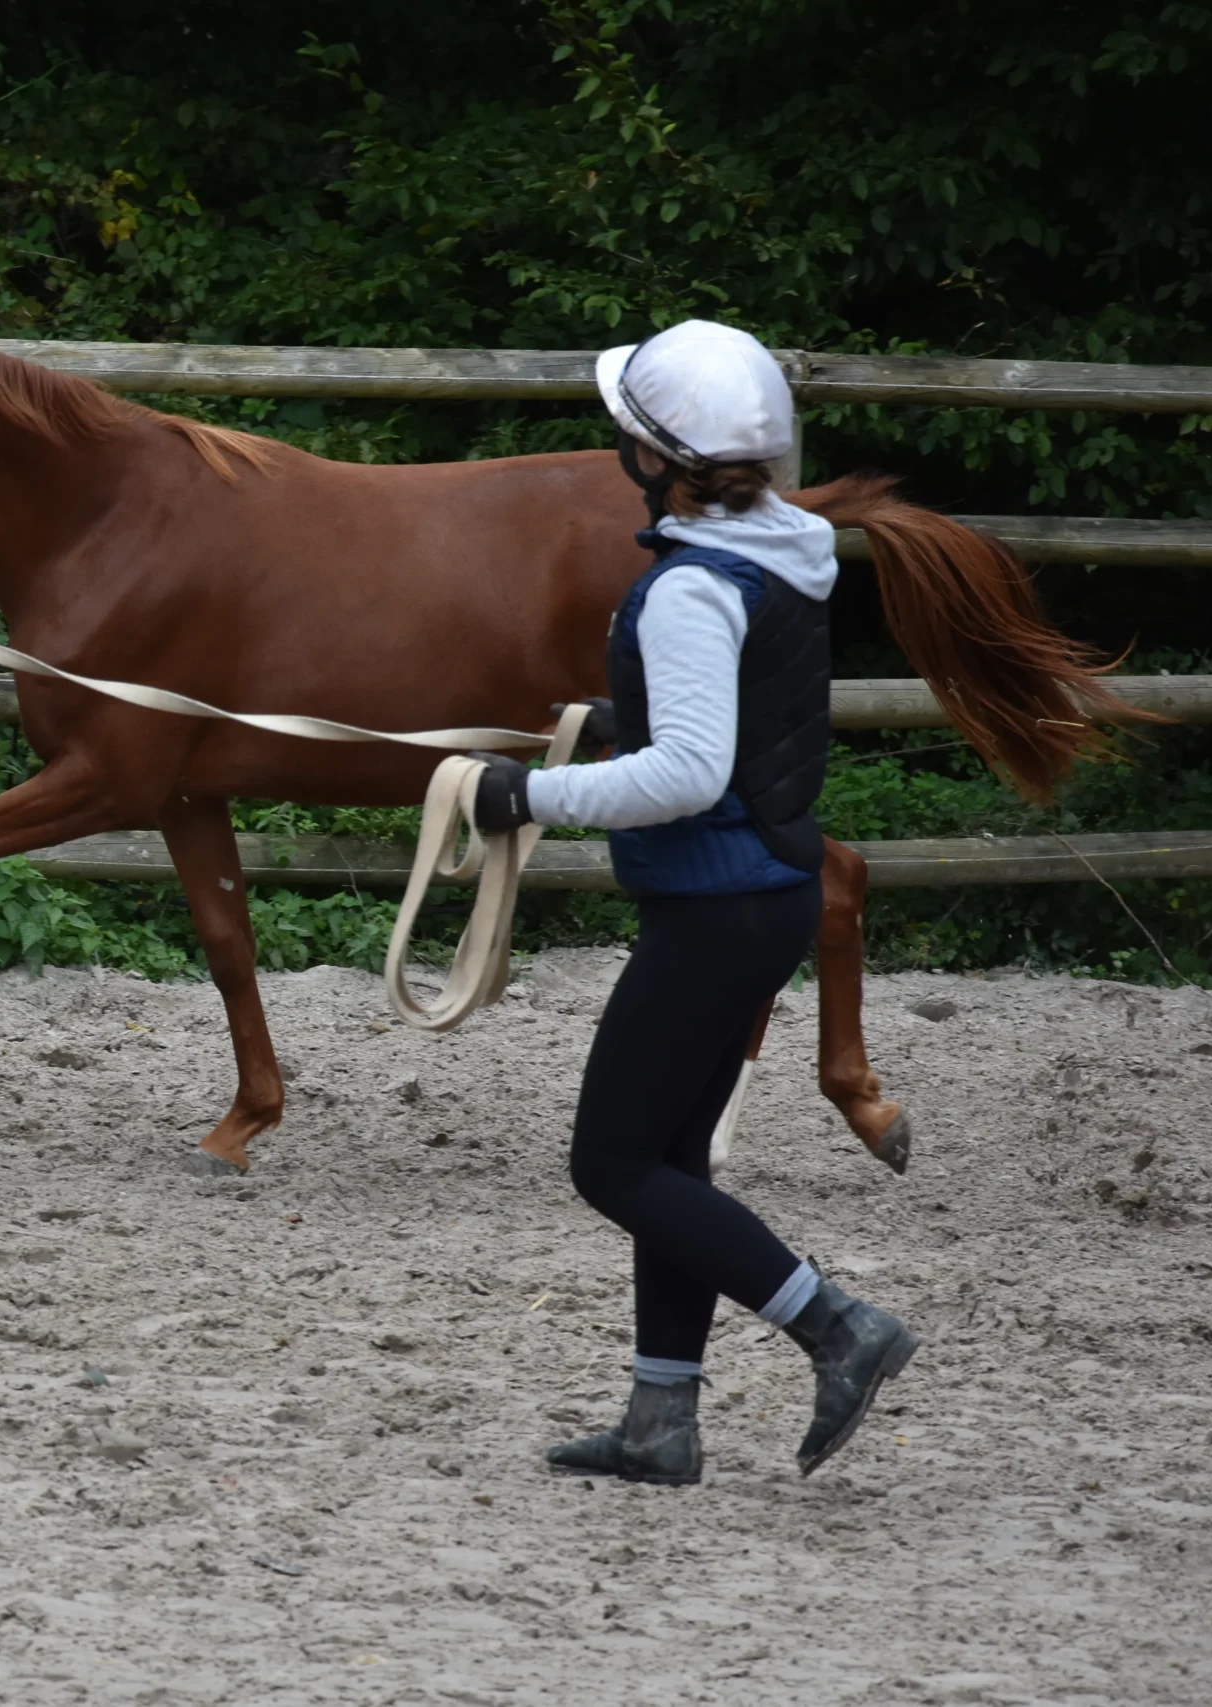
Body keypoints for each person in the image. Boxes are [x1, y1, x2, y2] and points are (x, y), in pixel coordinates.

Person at [471, 320, 918, 1485]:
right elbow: (734, 717)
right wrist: (622, 722)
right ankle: (660, 1421)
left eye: (628, 434)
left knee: (610, 1165)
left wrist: (523, 796)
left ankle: (835, 1326)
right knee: (670, 1158)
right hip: (760, 896)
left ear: (660, 457)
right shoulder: (782, 549)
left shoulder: (686, 586)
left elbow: (686, 778)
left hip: (715, 909)